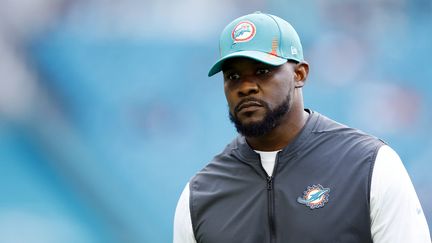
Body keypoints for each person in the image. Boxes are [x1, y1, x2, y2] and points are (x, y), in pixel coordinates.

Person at [173, 11, 431, 243]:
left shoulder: (369, 165)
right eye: (233, 76)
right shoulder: (199, 195)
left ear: (300, 74)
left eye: (262, 71)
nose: (246, 86)